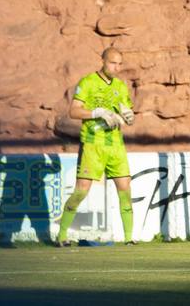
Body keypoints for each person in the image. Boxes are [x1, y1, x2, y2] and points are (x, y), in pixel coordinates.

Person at [55, 47, 138, 246]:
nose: (116, 67)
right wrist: (96, 113)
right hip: (93, 145)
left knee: (125, 189)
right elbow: (73, 111)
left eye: (119, 64)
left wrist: (129, 117)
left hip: (116, 145)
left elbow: (125, 111)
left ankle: (129, 238)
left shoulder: (120, 85)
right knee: (81, 191)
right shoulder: (88, 82)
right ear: (102, 60)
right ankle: (62, 235)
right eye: (112, 63)